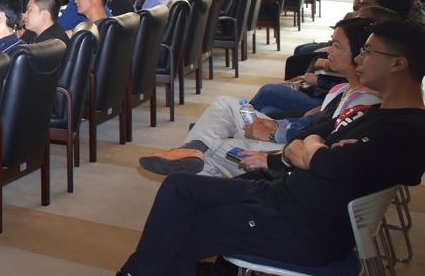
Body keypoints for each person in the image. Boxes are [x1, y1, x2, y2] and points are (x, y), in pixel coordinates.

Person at [76, 19, 425, 276]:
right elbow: (307, 140)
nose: (361, 58)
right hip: (283, 197)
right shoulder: (376, 112)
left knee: (178, 235)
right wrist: (314, 149)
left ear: (398, 63)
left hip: (301, 228)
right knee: (179, 187)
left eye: (369, 51)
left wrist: (314, 150)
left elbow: (324, 159)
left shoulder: (407, 130)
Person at [139, 16, 380, 178]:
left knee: (216, 145)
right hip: (288, 134)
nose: (329, 50)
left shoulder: (364, 100)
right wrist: (278, 125)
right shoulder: (343, 89)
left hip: (290, 153)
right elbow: (312, 121)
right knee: (225, 103)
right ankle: (194, 149)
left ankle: (196, 159)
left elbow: (322, 140)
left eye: (336, 45)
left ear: (360, 54)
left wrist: (275, 132)